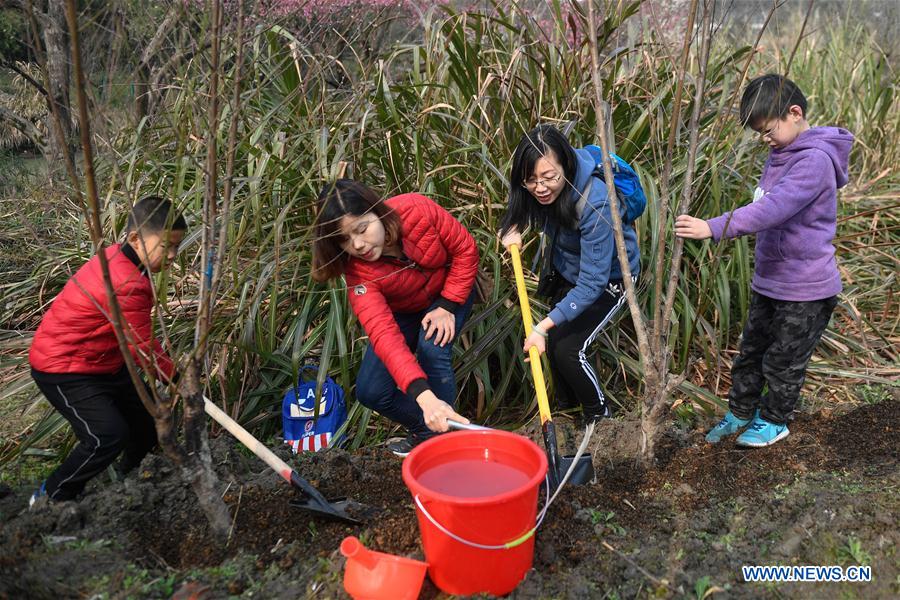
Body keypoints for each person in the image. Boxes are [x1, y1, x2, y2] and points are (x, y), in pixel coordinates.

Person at [675, 74, 853, 447]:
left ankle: (774, 420)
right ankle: (740, 412)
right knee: (751, 353)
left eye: (768, 129)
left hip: (805, 288)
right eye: (759, 133)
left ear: (794, 113)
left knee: (783, 361)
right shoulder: (780, 153)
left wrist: (713, 227)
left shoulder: (815, 161)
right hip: (771, 281)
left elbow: (772, 208)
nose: (765, 139)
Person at [28, 196, 185, 505]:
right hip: (64, 368)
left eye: (177, 247)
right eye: (166, 246)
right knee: (106, 436)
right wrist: (178, 378)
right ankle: (51, 496)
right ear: (135, 239)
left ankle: (131, 477)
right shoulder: (124, 281)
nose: (172, 256)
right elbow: (142, 346)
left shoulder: (121, 259)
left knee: (148, 420)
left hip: (104, 363)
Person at [312, 180, 477, 456]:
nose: (358, 245)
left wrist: (448, 304)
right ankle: (434, 428)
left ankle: (445, 447)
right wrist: (426, 400)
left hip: (449, 291)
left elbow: (465, 250)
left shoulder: (416, 210)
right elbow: (384, 336)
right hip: (404, 309)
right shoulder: (358, 273)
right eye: (344, 240)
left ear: (377, 211)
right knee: (370, 391)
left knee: (431, 346)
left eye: (362, 229)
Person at [499, 124, 640, 426]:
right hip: (572, 270)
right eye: (531, 180)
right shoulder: (536, 188)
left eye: (549, 177)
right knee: (553, 343)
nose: (540, 188)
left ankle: (600, 418)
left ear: (567, 164)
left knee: (567, 350)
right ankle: (568, 411)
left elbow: (593, 283)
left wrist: (541, 327)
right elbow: (521, 204)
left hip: (610, 279)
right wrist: (512, 227)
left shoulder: (595, 202)